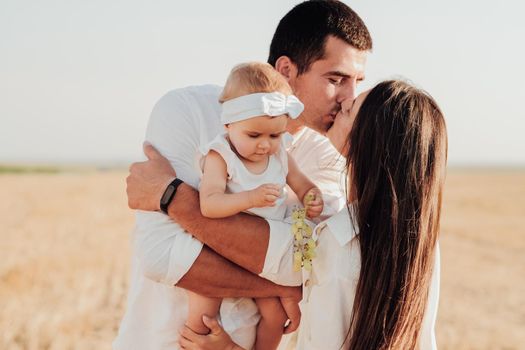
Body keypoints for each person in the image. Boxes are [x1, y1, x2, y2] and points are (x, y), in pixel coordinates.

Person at [115, 1, 374, 349]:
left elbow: (304, 261)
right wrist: (277, 286)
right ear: (286, 70)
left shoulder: (329, 157)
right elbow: (161, 255)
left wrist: (173, 199)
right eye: (335, 79)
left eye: (357, 81)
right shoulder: (188, 111)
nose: (349, 98)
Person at [177, 80, 447, 349]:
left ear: (366, 139)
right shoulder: (423, 246)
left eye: (351, 109)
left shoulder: (337, 253)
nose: (345, 100)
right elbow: (298, 248)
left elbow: (297, 253)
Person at [187, 62, 323, 350]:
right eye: (254, 136)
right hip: (224, 250)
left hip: (264, 251)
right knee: (202, 309)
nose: (265, 145)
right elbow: (209, 205)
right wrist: (249, 199)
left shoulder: (281, 155)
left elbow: (301, 184)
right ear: (228, 125)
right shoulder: (220, 156)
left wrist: (312, 197)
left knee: (274, 315)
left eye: (274, 135)